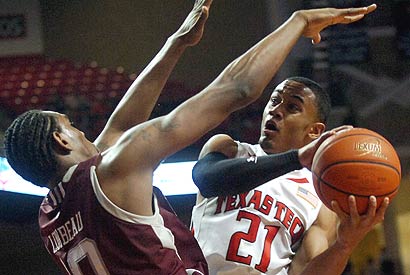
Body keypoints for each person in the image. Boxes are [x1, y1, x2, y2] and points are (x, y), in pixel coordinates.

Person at [4, 1, 378, 274]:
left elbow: (119, 126)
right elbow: (240, 88)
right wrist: (297, 22)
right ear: (62, 142)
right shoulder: (118, 167)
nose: (87, 132)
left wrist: (176, 44)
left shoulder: (50, 217)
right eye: (73, 127)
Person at [190, 7, 387, 275]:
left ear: (315, 131)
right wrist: (295, 159)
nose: (276, 109)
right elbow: (207, 180)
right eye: (274, 100)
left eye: (292, 107)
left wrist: (345, 244)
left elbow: (306, 271)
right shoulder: (226, 148)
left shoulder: (319, 197)